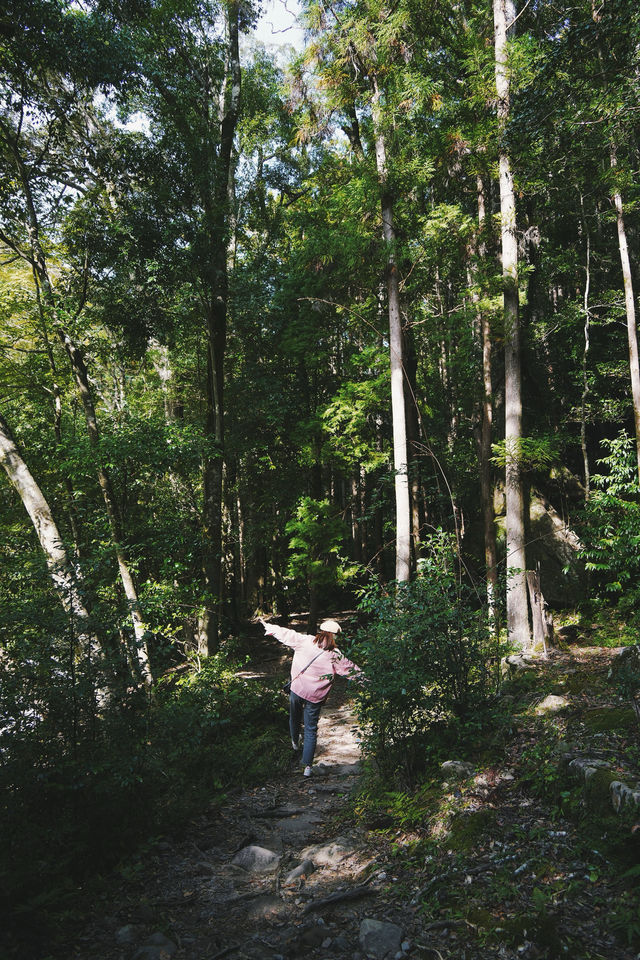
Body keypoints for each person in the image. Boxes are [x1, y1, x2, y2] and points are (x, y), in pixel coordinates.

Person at [260, 617, 363, 777]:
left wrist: (268, 626)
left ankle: (295, 742)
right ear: (335, 636)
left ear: (321, 631)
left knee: (294, 718)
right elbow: (352, 670)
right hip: (315, 696)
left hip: (297, 689)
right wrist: (372, 682)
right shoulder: (335, 655)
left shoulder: (306, 641)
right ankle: (307, 767)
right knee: (310, 729)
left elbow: (287, 634)